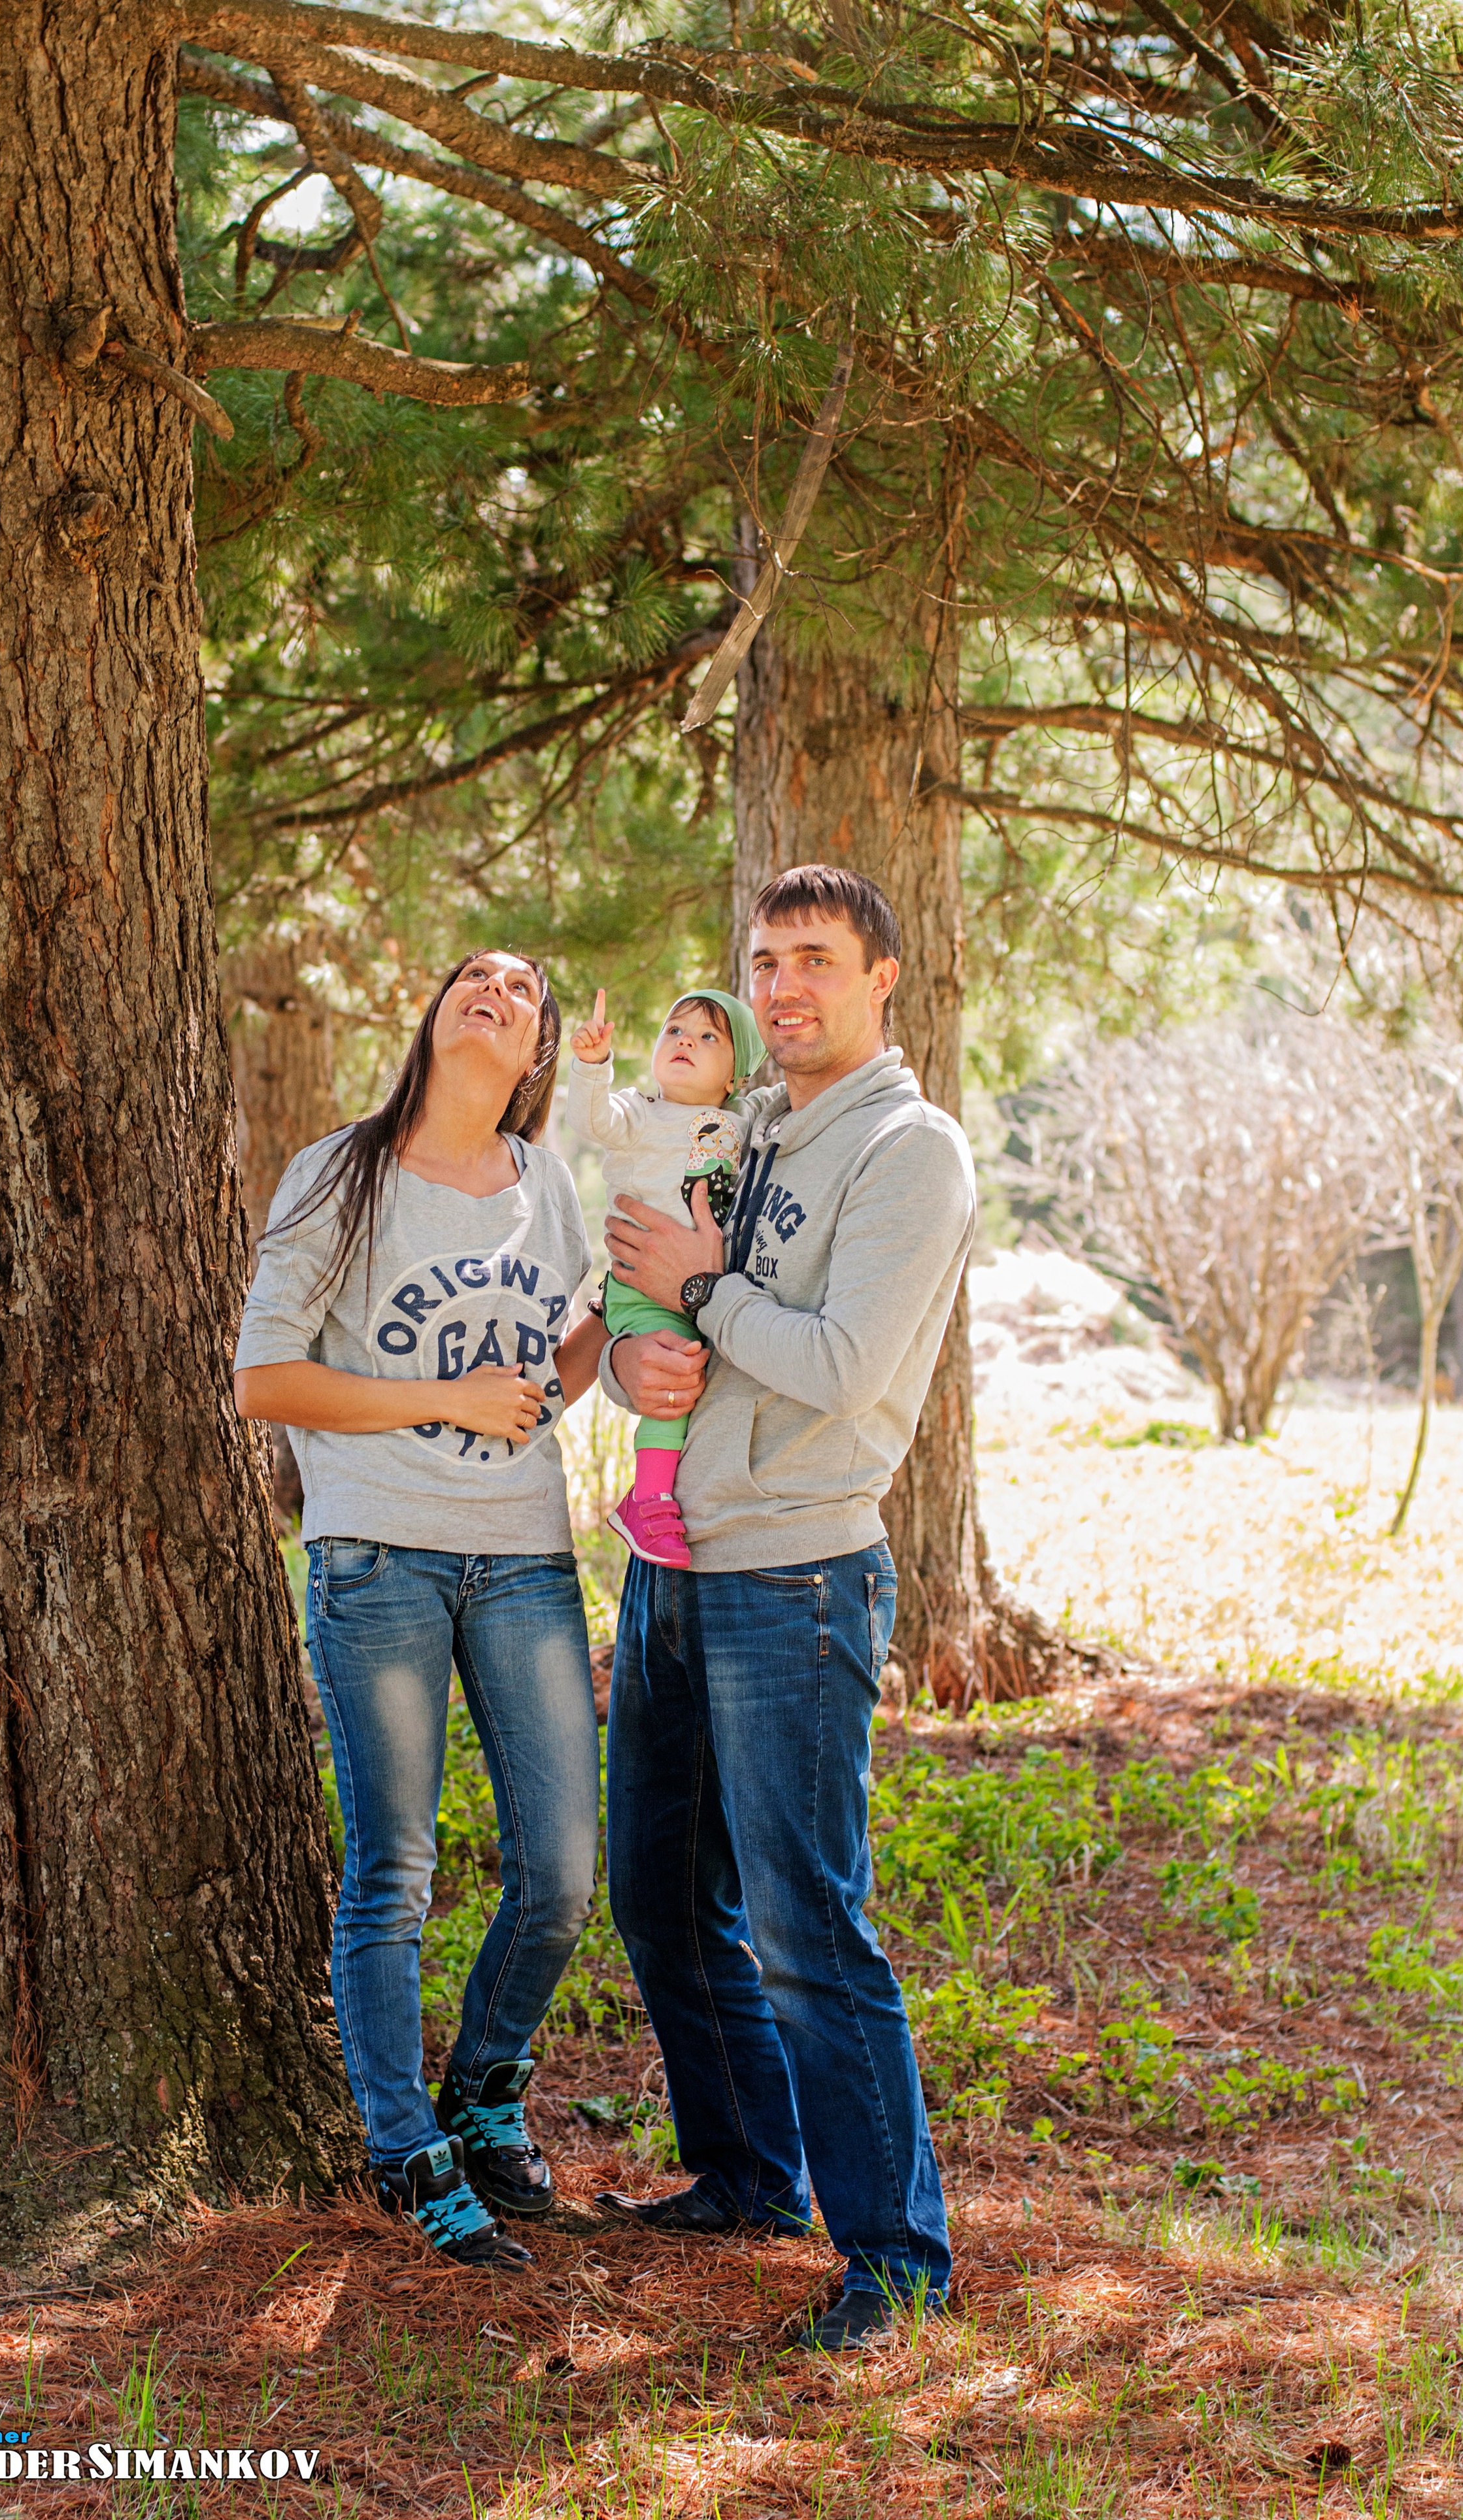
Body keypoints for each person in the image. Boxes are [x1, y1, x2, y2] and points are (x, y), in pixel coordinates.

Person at [232, 950, 706, 2269]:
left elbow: (573, 1331)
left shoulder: (538, 1180)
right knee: (393, 1869)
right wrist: (441, 1400)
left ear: (540, 1043)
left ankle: (484, 2089)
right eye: (474, 977)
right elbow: (263, 1376)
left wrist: (565, 1380)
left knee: (558, 1870)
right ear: (436, 1013)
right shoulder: (342, 1171)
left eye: (525, 989)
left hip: (519, 1555)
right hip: (377, 1555)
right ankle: (403, 2148)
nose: (498, 988)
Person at [596, 865, 977, 2351]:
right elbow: (649, 1305)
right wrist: (644, 1353)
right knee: (654, 1890)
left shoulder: (909, 1149)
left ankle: (893, 2260)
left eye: (812, 958)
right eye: (762, 961)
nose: (779, 988)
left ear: (881, 977)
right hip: (675, 1556)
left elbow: (842, 1362)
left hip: (797, 1571)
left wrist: (704, 1289)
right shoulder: (742, 1127)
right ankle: (747, 2170)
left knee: (805, 1921)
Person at [565, 986, 766, 1568]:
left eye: (708, 1038)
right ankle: (647, 1499)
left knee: (705, 1370)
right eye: (674, 1031)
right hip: (643, 1285)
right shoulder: (638, 1113)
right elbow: (590, 1116)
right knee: (673, 1369)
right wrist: (593, 1065)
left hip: (706, 1287)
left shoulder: (741, 1120)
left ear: (734, 1076)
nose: (686, 1042)